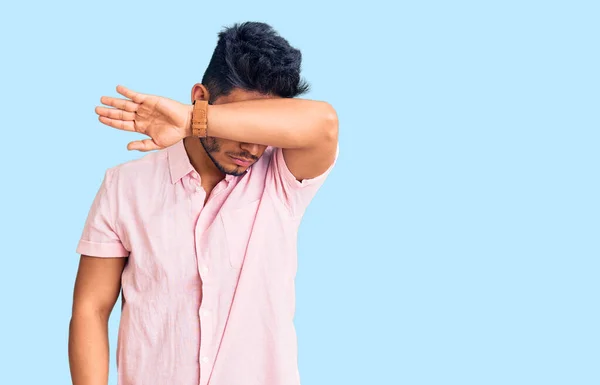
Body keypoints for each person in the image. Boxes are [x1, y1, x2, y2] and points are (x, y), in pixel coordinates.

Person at [68, 21, 339, 385]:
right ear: (200, 96)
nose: (253, 146)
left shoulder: (283, 178)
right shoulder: (124, 186)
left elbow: (324, 123)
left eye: (259, 126)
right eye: (239, 122)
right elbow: (91, 308)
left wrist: (193, 120)